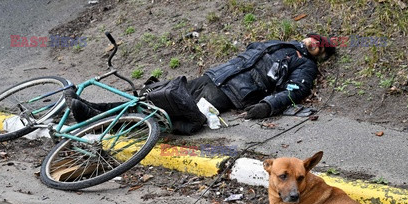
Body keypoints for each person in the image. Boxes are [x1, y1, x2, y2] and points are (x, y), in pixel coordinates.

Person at [68, 34, 335, 124]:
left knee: (168, 115)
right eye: (316, 39)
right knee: (154, 97)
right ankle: (96, 111)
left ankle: (98, 120)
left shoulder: (305, 66)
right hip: (212, 77)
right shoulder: (281, 44)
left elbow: (294, 91)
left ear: (320, 54)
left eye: (321, 46)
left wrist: (268, 106)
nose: (316, 43)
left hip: (229, 94)